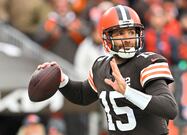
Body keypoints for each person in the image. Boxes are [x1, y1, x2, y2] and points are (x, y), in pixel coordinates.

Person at [38, 5, 178, 135]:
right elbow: (82, 95)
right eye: (121, 33)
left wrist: (128, 92)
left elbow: (169, 108)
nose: (128, 38)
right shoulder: (101, 66)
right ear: (107, 37)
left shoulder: (148, 62)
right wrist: (63, 80)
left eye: (131, 31)